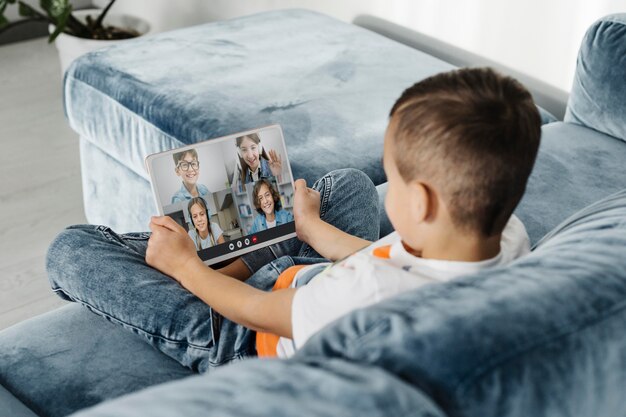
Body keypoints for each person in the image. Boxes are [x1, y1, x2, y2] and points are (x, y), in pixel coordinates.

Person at [47, 67, 541, 370]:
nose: (388, 182)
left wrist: (186, 269)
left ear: (423, 204)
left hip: (248, 340)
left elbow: (256, 312)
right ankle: (275, 241)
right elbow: (390, 259)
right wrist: (311, 229)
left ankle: (223, 262)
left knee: (72, 249)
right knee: (347, 182)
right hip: (316, 284)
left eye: (394, 175)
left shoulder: (372, 294)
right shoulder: (509, 236)